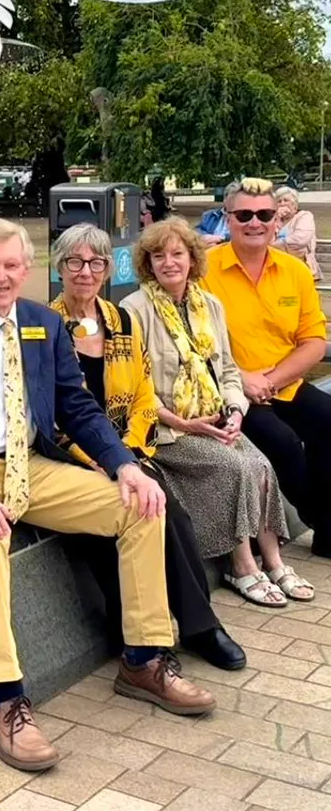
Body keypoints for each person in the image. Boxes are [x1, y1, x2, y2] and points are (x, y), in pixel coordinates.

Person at [0, 217, 214, 774]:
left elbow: (78, 409)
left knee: (143, 505)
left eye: (12, 265)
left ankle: (143, 659)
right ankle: (4, 700)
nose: (1, 275)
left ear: (28, 270)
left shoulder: (45, 325)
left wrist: (124, 465)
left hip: (33, 466)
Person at [48, 224, 247, 667]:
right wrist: (101, 460)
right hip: (75, 455)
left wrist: (129, 451)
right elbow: (53, 412)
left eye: (96, 263)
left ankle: (199, 626)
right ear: (58, 267)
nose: (85, 271)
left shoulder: (120, 320)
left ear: (107, 270)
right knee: (119, 519)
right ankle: (141, 635)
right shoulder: (46, 324)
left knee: (167, 511)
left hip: (128, 450)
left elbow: (142, 394)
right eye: (74, 262)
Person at [123, 218, 310, 606]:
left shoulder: (209, 305)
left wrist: (236, 411)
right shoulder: (134, 309)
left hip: (214, 416)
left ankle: (273, 561)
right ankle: (240, 565)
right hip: (169, 429)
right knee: (235, 468)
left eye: (177, 254)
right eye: (159, 256)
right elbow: (134, 386)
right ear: (148, 263)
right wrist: (178, 421)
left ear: (192, 259)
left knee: (260, 465)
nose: (169, 263)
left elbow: (226, 369)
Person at [202, 177, 331, 558]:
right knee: (284, 444)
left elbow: (313, 342)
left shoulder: (295, 272)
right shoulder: (204, 270)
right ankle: (321, 520)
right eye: (244, 214)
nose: (254, 222)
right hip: (230, 388)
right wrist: (242, 379)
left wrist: (272, 380)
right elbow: (195, 339)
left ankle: (325, 528)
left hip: (280, 383)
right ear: (228, 219)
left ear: (278, 219)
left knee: (328, 422)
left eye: (264, 214)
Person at [273, 186, 321, 280]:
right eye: (279, 201)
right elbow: (265, 240)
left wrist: (273, 246)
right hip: (277, 269)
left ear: (294, 204)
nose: (282, 204)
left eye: (286, 200)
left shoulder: (304, 216)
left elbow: (300, 241)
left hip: (301, 267)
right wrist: (275, 219)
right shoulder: (274, 220)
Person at [196, 182, 236, 247]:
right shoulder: (209, 215)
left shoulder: (244, 218)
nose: (234, 202)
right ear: (225, 199)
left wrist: (222, 238)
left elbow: (242, 236)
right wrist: (205, 237)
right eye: (232, 199)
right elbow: (197, 230)